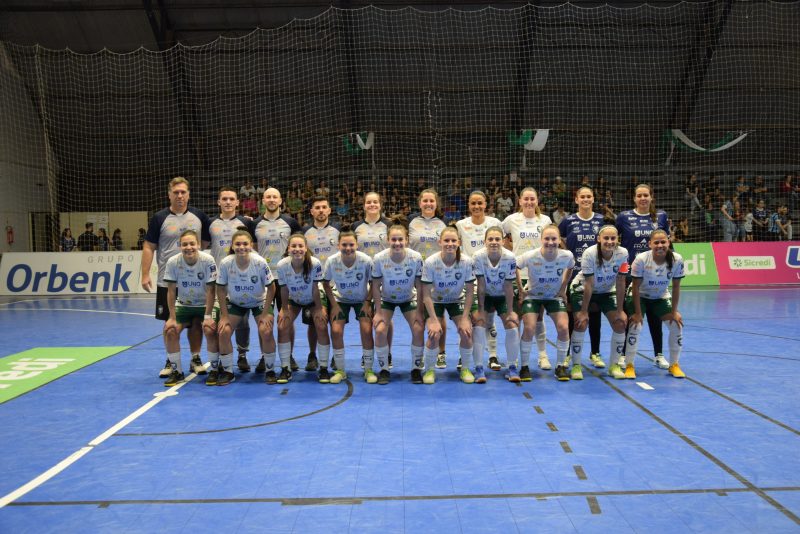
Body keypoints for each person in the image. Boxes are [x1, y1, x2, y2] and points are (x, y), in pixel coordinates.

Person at [141, 177, 211, 378]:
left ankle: (196, 358)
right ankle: (172, 361)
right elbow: (149, 246)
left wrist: (193, 262)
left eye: (183, 192)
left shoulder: (199, 216)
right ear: (169, 194)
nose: (180, 196)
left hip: (196, 281)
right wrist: (145, 274)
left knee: (196, 321)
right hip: (168, 281)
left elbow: (205, 242)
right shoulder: (159, 218)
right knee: (169, 323)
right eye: (176, 192)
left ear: (188, 194)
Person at [615, 183, 668, 367]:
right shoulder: (624, 217)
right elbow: (613, 240)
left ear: (651, 197)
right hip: (630, 274)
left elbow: (666, 244)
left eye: (646, 195)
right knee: (631, 317)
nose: (643, 198)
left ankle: (659, 354)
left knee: (655, 317)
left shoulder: (661, 216)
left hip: (654, 273)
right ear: (634, 198)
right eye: (639, 195)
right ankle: (623, 355)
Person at [215, 229, 278, 385]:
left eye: (245, 244)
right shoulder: (226, 263)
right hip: (236, 302)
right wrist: (223, 315)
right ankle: (229, 372)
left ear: (251, 245)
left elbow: (272, 288)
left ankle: (270, 370)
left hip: (258, 301)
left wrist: (264, 314)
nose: (241, 247)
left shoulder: (260, 262)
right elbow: (220, 289)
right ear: (232, 246)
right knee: (223, 331)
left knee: (266, 330)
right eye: (238, 244)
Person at [501, 187, 553, 371]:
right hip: (517, 274)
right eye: (526, 199)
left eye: (533, 199)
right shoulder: (511, 220)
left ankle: (542, 355)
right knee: (518, 317)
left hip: (538, 275)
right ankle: (515, 359)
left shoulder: (545, 220)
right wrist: (508, 248)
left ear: (537, 201)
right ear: (520, 201)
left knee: (538, 317)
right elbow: (498, 235)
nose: (529, 202)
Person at [568, 226, 629, 380]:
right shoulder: (590, 253)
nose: (609, 241)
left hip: (607, 291)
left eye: (613, 238)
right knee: (581, 323)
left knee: (620, 323)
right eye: (606, 238)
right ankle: (576, 365)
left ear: (617, 240)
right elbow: (589, 283)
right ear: (599, 239)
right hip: (582, 289)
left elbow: (621, 281)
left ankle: (614, 365)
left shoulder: (623, 253)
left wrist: (621, 310)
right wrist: (583, 311)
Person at [624, 229, 686, 379]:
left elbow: (676, 286)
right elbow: (636, 287)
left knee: (676, 325)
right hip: (640, 296)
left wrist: (674, 311)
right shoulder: (641, 259)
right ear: (650, 244)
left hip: (660, 296)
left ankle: (674, 365)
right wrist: (638, 314)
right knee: (635, 325)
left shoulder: (677, 259)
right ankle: (629, 365)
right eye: (656, 242)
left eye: (663, 242)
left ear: (669, 242)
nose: (660, 245)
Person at [515, 225, 574, 381]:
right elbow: (514, 266)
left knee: (563, 327)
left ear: (559, 240)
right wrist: (521, 289)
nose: (550, 242)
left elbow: (571, 267)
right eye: (546, 238)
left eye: (554, 238)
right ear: (541, 240)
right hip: (533, 296)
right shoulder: (530, 256)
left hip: (553, 296)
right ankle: (525, 367)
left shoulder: (566, 255)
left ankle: (560, 366)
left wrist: (563, 288)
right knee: (529, 327)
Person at [252, 187, 302, 370]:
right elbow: (254, 251)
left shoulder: (290, 222)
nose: (272, 200)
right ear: (263, 201)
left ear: (281, 200)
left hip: (285, 281)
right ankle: (265, 356)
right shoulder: (255, 224)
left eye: (275, 197)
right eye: (268, 197)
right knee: (263, 320)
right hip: (264, 281)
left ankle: (289, 355)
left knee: (286, 319)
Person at [208, 186, 256, 372]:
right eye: (224, 199)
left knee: (243, 320)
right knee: (221, 320)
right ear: (218, 202)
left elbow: (254, 248)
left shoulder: (246, 222)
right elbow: (204, 247)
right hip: (219, 280)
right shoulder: (210, 223)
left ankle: (242, 355)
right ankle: (222, 356)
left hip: (241, 278)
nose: (228, 202)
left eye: (231, 199)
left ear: (237, 202)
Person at [162, 230, 219, 386]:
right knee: (170, 329)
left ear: (198, 245)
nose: (189, 247)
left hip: (205, 305)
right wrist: (172, 317)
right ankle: (177, 371)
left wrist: (207, 317)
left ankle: (213, 368)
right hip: (184, 304)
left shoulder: (208, 260)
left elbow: (211, 290)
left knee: (209, 329)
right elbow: (171, 290)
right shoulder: (173, 261)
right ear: (180, 245)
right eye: (185, 244)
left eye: (192, 243)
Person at [371, 222, 425, 384]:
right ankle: (384, 369)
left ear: (407, 240)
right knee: (380, 329)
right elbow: (375, 285)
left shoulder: (415, 258)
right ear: (388, 240)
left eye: (400, 239)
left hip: (409, 298)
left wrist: (421, 311)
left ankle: (416, 369)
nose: (397, 243)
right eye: (393, 239)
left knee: (418, 328)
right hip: (387, 299)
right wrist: (378, 312)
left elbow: (420, 286)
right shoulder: (380, 259)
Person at [420, 226, 475, 384]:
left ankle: (465, 368)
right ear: (440, 242)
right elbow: (426, 295)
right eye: (446, 240)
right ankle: (429, 369)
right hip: (435, 301)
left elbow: (471, 292)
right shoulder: (431, 262)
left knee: (466, 332)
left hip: (456, 300)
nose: (450, 244)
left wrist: (465, 318)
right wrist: (433, 320)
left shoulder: (466, 262)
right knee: (434, 333)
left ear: (459, 242)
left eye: (453, 240)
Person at [558, 186, 606, 369]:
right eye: (582, 197)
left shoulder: (601, 220)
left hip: (594, 275)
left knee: (594, 314)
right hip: (573, 275)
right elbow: (559, 239)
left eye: (589, 196)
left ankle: (595, 353)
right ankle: (569, 353)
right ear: (576, 199)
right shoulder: (568, 221)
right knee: (571, 314)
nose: (586, 199)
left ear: (593, 199)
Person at [274, 234, 331, 384]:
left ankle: (324, 367)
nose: (297, 249)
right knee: (282, 325)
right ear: (288, 249)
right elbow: (284, 290)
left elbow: (315, 289)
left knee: (321, 324)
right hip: (294, 298)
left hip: (314, 298)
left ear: (306, 248)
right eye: (294, 246)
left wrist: (318, 309)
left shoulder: (314, 263)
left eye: (300, 246)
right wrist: (285, 309)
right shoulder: (281, 265)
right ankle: (285, 368)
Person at [456, 191, 503, 370]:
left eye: (480, 203)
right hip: (468, 278)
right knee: (467, 318)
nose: (476, 206)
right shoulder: (461, 225)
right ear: (468, 205)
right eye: (473, 203)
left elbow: (502, 247)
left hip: (491, 277)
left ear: (486, 204)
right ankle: (465, 355)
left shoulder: (495, 223)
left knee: (489, 318)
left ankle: (492, 355)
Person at [322, 228, 375, 383]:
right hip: (340, 300)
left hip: (361, 299)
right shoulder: (332, 261)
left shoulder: (365, 260)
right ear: (338, 245)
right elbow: (325, 284)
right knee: (336, 331)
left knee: (366, 330)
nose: (348, 248)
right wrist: (334, 305)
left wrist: (367, 302)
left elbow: (373, 282)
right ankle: (340, 370)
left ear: (357, 245)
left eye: (351, 244)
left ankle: (368, 370)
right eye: (344, 245)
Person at [473, 226, 520, 382]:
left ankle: (512, 367)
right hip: (484, 295)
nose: (494, 242)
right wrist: (480, 310)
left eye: (497, 239)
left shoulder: (510, 257)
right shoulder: (478, 256)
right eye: (490, 239)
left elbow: (508, 286)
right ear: (485, 241)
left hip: (501, 296)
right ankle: (479, 368)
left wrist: (511, 311)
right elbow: (480, 285)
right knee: (479, 324)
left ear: (503, 240)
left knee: (512, 326)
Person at [408, 189, 449, 368]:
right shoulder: (411, 222)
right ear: (420, 203)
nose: (428, 204)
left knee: (439, 317)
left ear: (436, 203)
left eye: (431, 201)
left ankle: (441, 352)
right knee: (420, 316)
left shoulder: (443, 223)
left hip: (437, 274)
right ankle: (423, 352)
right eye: (425, 201)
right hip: (416, 274)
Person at [303, 196, 340, 371]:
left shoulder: (338, 230)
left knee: (334, 322)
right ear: (311, 211)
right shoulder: (304, 232)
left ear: (329, 210)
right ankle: (312, 355)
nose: (321, 210)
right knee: (313, 323)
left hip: (334, 285)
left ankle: (333, 355)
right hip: (313, 286)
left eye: (324, 207)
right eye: (317, 207)